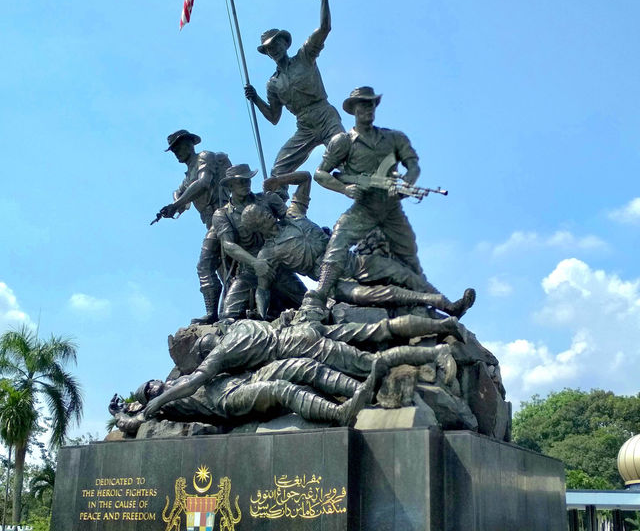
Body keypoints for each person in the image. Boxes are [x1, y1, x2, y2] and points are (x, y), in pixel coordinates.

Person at [242, 172, 475, 319]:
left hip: (352, 261)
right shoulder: (268, 253)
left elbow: (305, 179)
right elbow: (263, 286)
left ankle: (451, 306)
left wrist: (279, 180)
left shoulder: (294, 214)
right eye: (261, 218)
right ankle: (435, 309)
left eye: (264, 212)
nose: (267, 216)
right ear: (257, 227)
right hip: (333, 283)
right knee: (388, 293)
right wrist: (262, 316)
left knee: (403, 273)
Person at [141, 315, 459, 419]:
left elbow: (195, 381)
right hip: (302, 332)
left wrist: (155, 402)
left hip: (299, 345)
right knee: (375, 332)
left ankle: (436, 352)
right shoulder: (237, 325)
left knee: (370, 361)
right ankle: (438, 330)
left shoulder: (221, 354)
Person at [310, 86, 445, 307]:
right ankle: (320, 292)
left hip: (391, 209)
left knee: (409, 254)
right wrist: (344, 188)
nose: (369, 108)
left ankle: (433, 303)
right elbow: (320, 173)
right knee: (339, 239)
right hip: (364, 208)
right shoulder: (342, 142)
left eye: (372, 103)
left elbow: (413, 166)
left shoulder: (394, 138)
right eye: (363, 104)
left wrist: (406, 185)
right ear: (354, 109)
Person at [244, 0, 345, 183]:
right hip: (304, 126)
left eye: (276, 44)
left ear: (285, 44)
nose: (273, 49)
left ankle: (368, 185)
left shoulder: (305, 56)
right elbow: (274, 117)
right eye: (269, 48)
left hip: (324, 115)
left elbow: (324, 28)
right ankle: (277, 205)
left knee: (344, 153)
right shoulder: (272, 83)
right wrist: (255, 99)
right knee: (278, 172)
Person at [109, 357, 376, 433]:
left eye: (151, 384)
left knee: (302, 365)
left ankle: (365, 391)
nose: (152, 388)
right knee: (281, 389)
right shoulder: (160, 406)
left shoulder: (180, 377)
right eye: (147, 391)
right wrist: (119, 413)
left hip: (242, 378)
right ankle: (339, 413)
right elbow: (133, 423)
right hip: (227, 401)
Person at [154, 130, 231, 323]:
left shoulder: (204, 157)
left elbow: (203, 183)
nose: (177, 152)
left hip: (223, 216)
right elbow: (179, 193)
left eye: (179, 147)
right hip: (210, 222)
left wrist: (177, 204)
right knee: (223, 270)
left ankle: (213, 313)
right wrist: (174, 205)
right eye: (174, 150)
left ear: (190, 144)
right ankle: (229, 309)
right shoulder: (187, 176)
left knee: (204, 266)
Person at [211, 164, 306, 319]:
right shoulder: (222, 215)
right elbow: (228, 245)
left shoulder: (267, 199)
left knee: (308, 301)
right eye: (241, 181)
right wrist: (255, 263)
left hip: (277, 265)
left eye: (248, 180)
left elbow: (290, 222)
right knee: (228, 315)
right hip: (249, 271)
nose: (246, 184)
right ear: (230, 186)